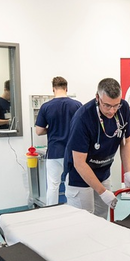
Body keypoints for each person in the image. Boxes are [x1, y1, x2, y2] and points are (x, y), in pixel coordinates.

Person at [64, 77, 130, 219]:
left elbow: (126, 141)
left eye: (116, 105)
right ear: (97, 97)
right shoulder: (83, 118)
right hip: (79, 176)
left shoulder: (123, 108)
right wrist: (102, 192)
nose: (112, 111)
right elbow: (79, 162)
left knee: (101, 217)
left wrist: (128, 172)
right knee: (84, 219)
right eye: (107, 105)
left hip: (102, 172)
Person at [34, 76, 82, 205]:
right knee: (71, 185)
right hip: (73, 153)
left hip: (54, 152)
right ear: (66, 88)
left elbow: (38, 131)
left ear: (53, 89)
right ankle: (72, 212)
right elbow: (83, 128)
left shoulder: (46, 107)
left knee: (53, 185)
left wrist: (52, 129)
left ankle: (51, 213)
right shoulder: (77, 105)